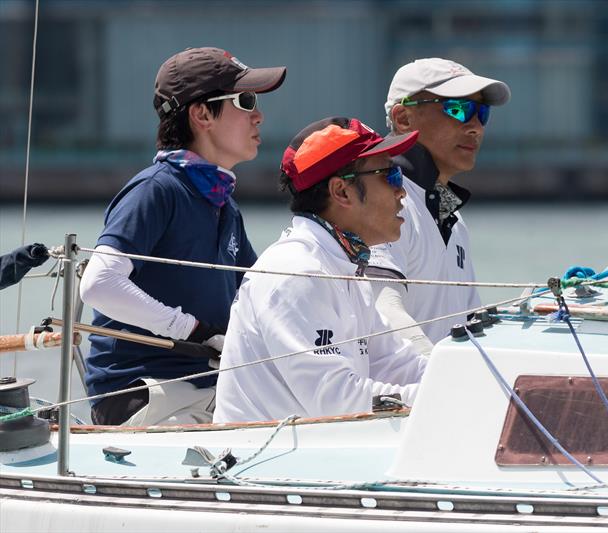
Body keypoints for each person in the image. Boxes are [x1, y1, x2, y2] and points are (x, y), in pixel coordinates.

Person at [79, 47, 287, 426]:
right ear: (202, 114)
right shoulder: (156, 189)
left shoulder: (222, 201)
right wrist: (193, 330)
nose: (258, 115)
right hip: (144, 394)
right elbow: (98, 284)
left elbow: (259, 296)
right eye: (245, 100)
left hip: (206, 390)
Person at [214, 117, 427, 423]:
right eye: (391, 175)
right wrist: (445, 394)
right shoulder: (298, 272)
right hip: (264, 463)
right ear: (341, 192)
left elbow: (398, 363)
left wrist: (469, 378)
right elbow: (338, 403)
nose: (402, 192)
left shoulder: (343, 265)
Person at [368, 58, 511, 355]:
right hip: (394, 397)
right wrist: (438, 377)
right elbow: (383, 307)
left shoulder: (454, 218)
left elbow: (470, 321)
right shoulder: (377, 198)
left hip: (433, 393)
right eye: (458, 109)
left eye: (481, 113)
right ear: (403, 118)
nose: (475, 127)